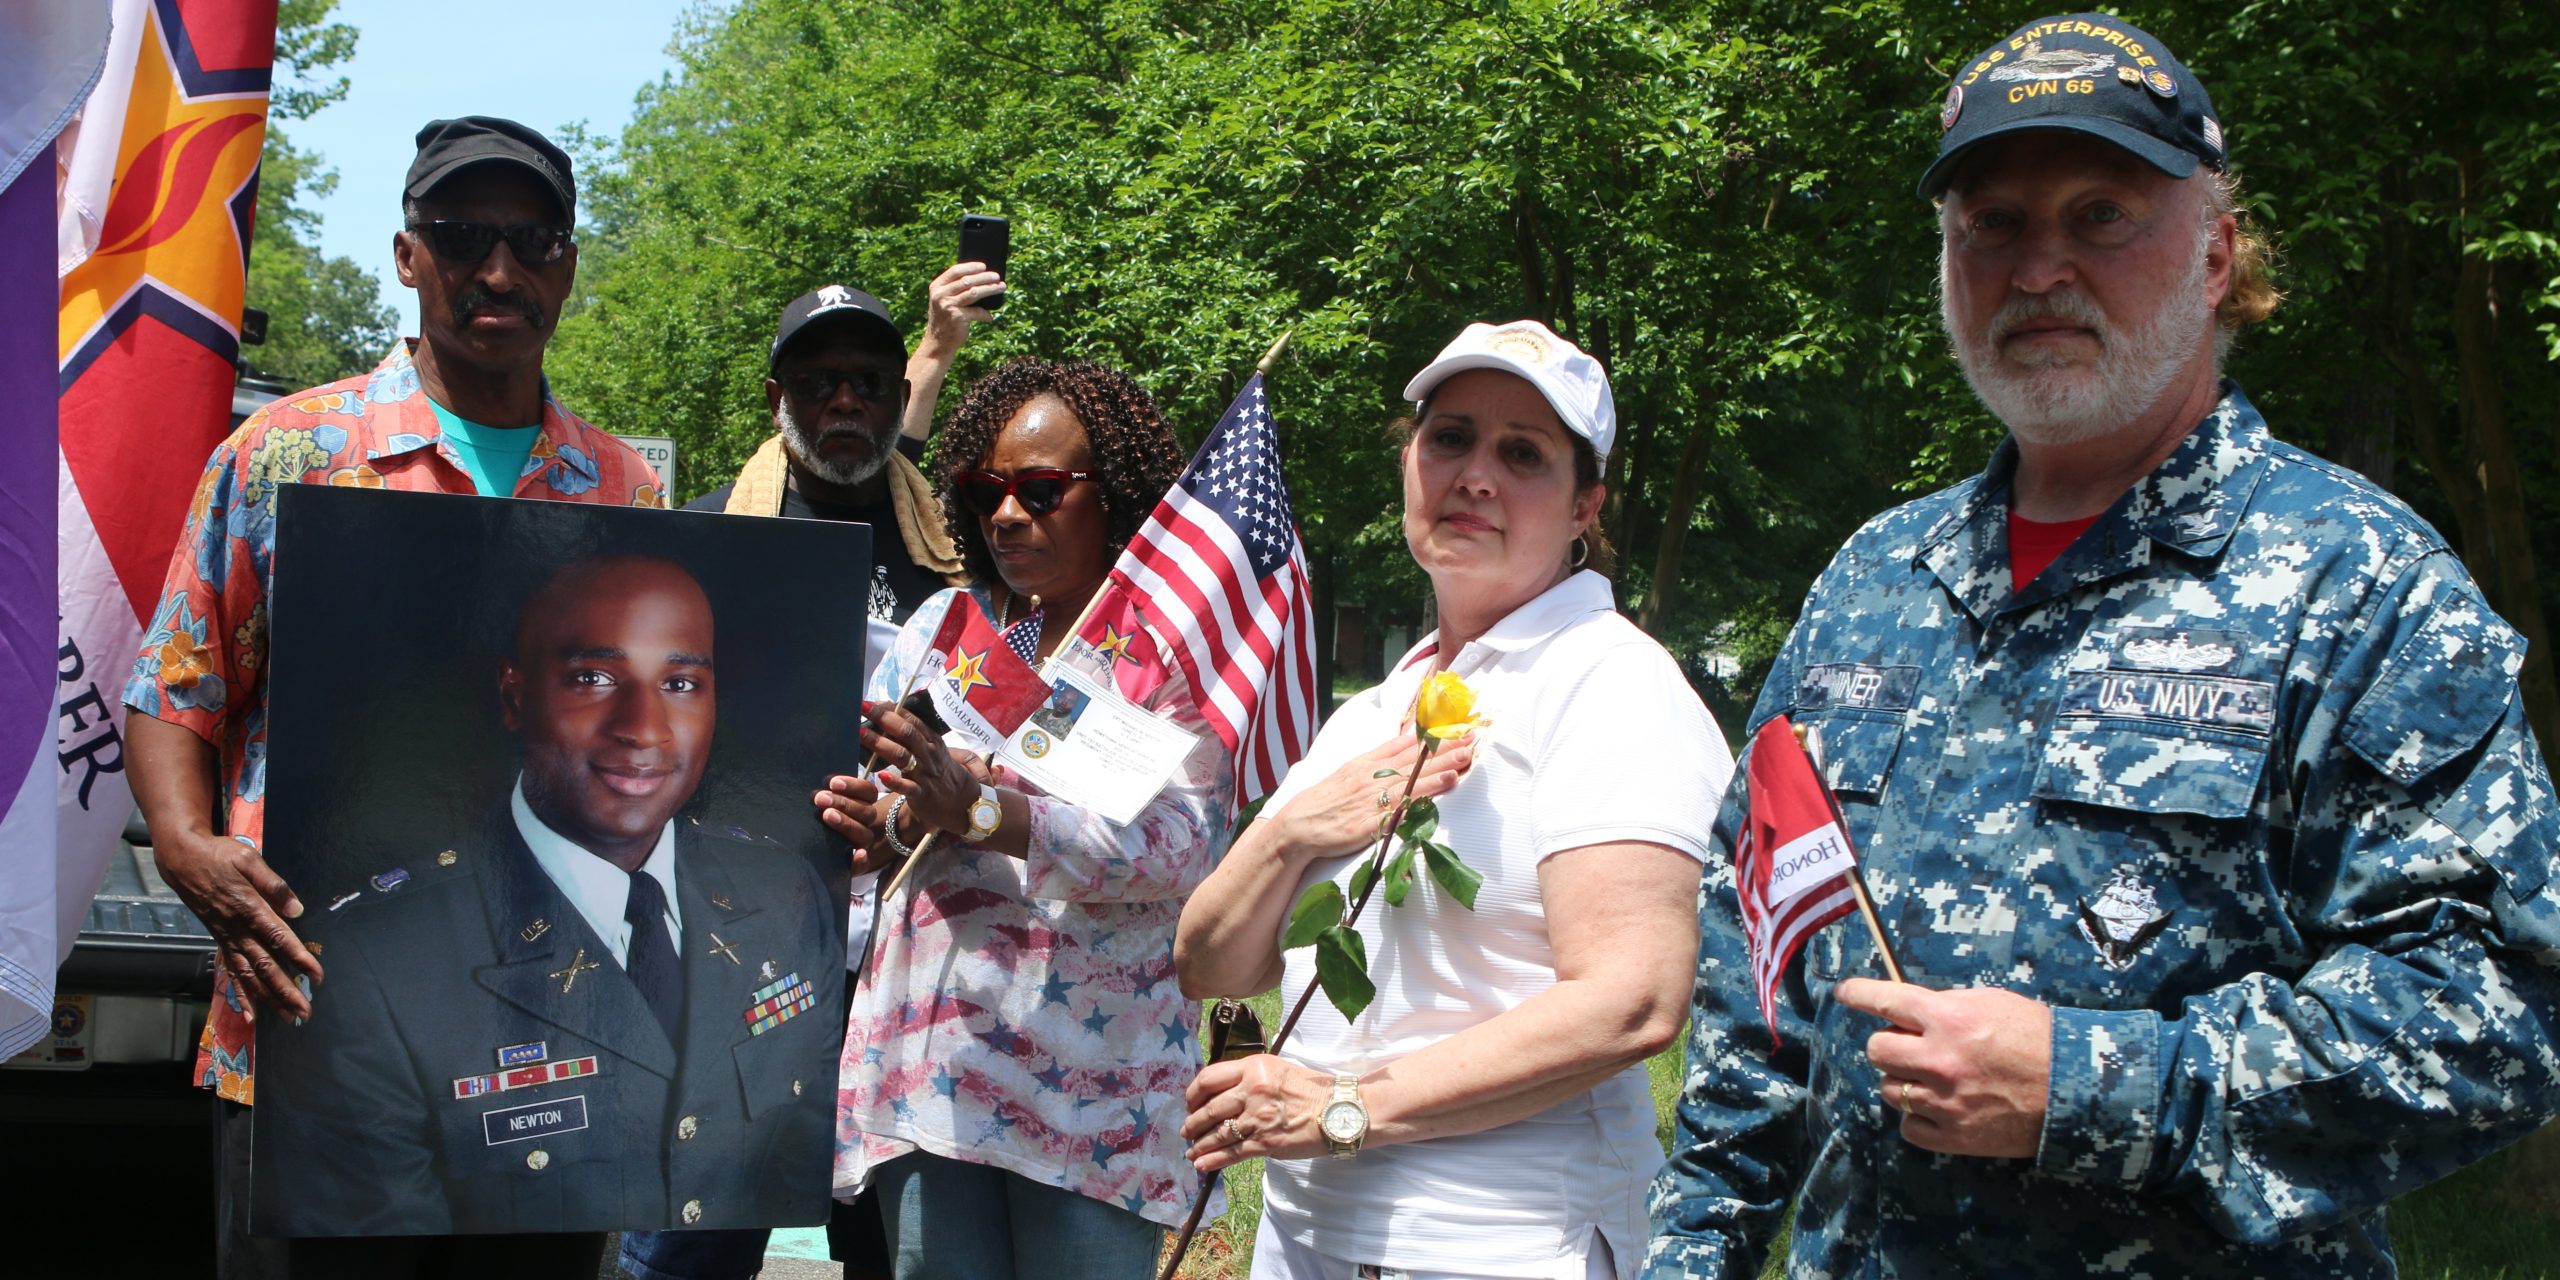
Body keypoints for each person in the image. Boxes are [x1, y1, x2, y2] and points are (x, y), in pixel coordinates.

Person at [1646, 16, 2560, 1279]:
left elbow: (2494, 1012)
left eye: (2100, 215)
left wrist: (2091, 1084)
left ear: (2215, 254)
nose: (2037, 270)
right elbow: (1757, 989)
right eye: (1992, 225)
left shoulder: (2357, 581)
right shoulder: (1870, 581)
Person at [120, 115, 666, 1278]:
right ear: (408, 253)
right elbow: (178, 678)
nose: (499, 270)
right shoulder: (287, 451)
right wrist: (183, 841)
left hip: (549, 1043)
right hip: (315, 1029)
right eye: (463, 235)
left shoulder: (622, 486)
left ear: (568, 263)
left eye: (533, 240)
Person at [1175, 320, 1734, 1279]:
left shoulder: (1611, 685)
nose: (1476, 474)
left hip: (1500, 1243)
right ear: (1409, 465)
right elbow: (1214, 963)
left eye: (1523, 453)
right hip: (1305, 1241)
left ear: (1583, 509)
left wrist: (1342, 1106)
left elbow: (1632, 1000)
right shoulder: (1377, 713)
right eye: (1450, 438)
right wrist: (1292, 832)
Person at [254, 555, 842, 1237]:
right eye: (593, 678)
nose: (644, 727)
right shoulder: (374, 966)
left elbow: (793, 1168)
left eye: (681, 682)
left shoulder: (783, 896)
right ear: (514, 695)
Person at [815, 357, 1221, 1278]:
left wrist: (986, 809)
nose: (1006, 514)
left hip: (1093, 1093)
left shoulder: (1164, 663)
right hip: (934, 1075)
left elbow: (1178, 850)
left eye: (1040, 490)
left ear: (1111, 496)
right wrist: (874, 820)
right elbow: (884, 818)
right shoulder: (942, 634)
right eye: (986, 489)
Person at [627, 268, 994, 1280]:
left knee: (892, 1253)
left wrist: (912, 818)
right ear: (774, 398)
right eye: (820, 381)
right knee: (689, 1248)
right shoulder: (697, 539)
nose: (847, 402)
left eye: (870, 382)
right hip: (727, 964)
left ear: (896, 395)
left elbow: (1000, 751)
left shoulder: (961, 562)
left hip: (904, 972)